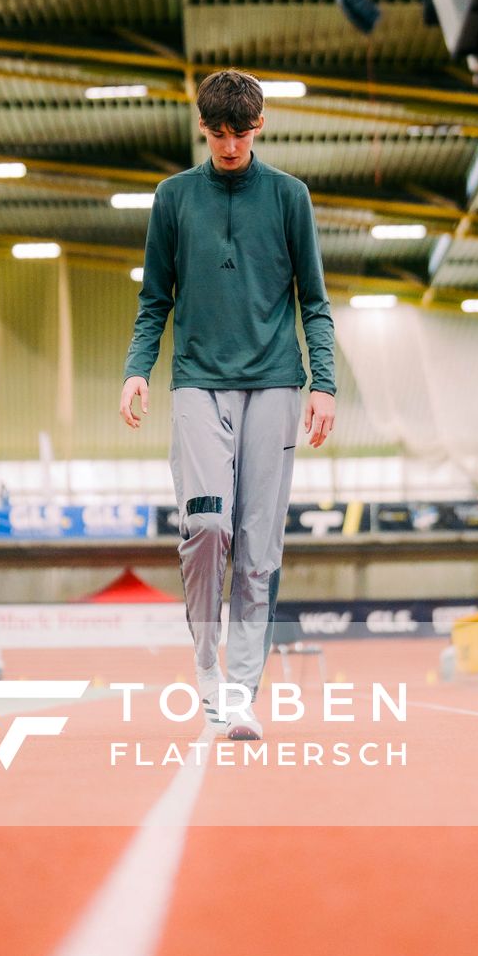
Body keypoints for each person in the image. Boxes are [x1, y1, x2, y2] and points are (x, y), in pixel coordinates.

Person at [120, 69, 336, 740]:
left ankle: (239, 693)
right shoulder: (174, 197)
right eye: (217, 135)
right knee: (208, 527)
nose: (229, 146)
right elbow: (154, 297)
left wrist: (323, 383)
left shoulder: (289, 197)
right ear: (203, 129)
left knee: (258, 550)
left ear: (259, 127)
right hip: (196, 384)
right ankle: (205, 669)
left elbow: (315, 303)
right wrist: (137, 370)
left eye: (239, 134)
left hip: (274, 384)